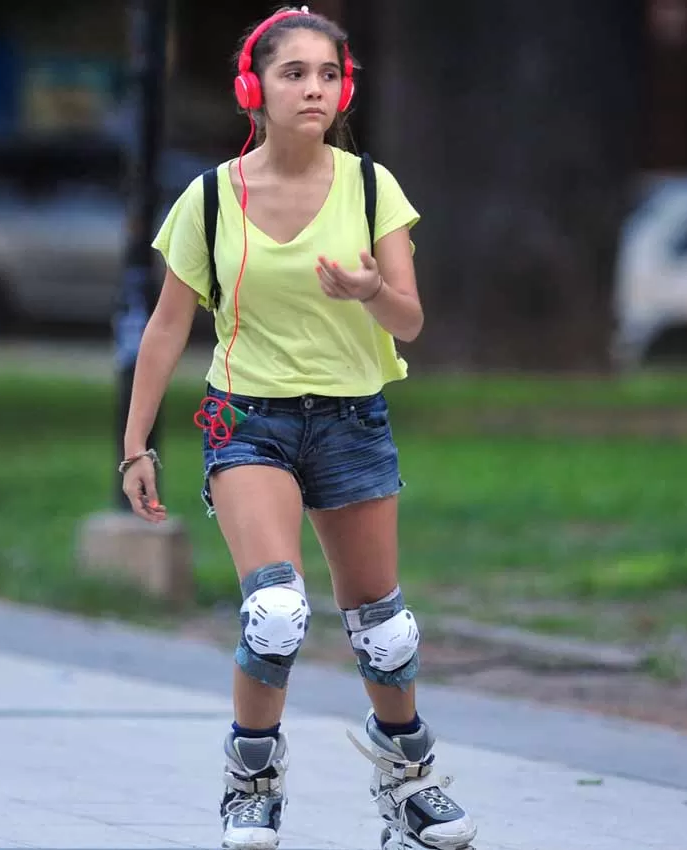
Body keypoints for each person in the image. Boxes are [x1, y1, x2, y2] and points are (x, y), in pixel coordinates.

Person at [117, 8, 476, 850]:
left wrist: (367, 295)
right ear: (254, 89)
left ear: (343, 87)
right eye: (292, 73)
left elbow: (411, 320)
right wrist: (137, 444)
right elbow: (167, 327)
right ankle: (253, 782)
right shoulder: (210, 198)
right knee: (275, 612)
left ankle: (407, 781)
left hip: (353, 418)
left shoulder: (370, 187)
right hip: (244, 418)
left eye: (326, 74)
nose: (312, 88)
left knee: (382, 628)